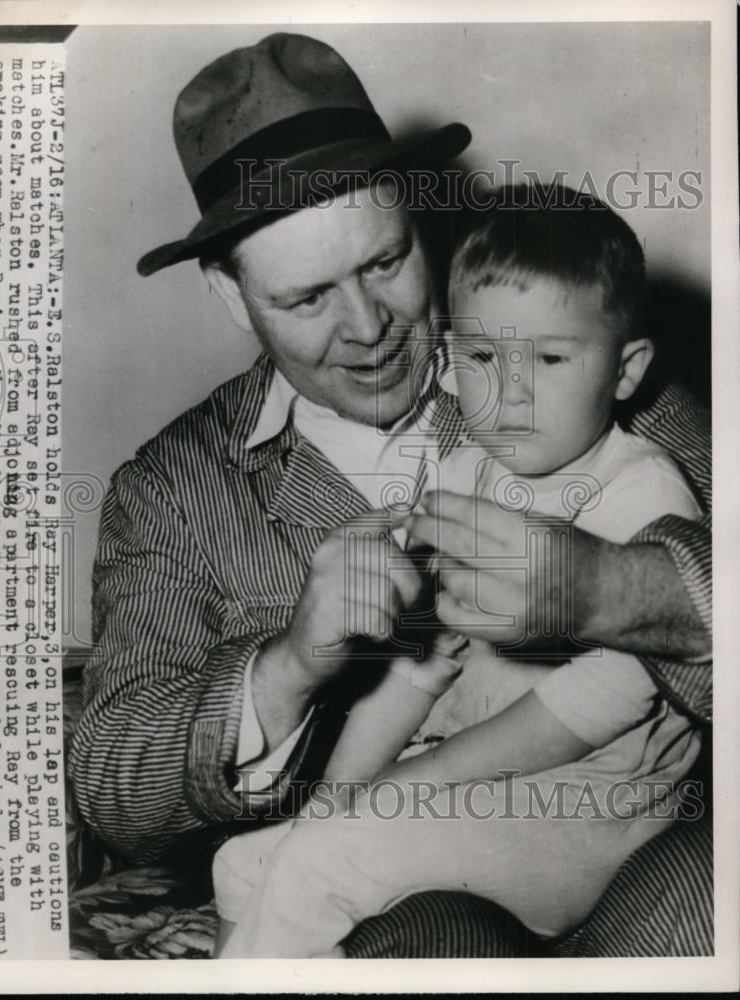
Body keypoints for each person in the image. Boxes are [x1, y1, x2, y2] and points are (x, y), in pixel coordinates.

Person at [68, 33, 712, 956]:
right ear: (230, 295)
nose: (367, 328)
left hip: (622, 834)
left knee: (699, 902)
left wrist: (615, 591)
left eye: (383, 262)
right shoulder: (170, 490)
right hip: (399, 881)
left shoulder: (558, 357)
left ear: (419, 221)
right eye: (308, 298)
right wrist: (288, 666)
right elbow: (109, 783)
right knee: (433, 937)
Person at [211, 186, 704, 958]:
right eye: (480, 356)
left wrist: (411, 787)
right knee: (243, 866)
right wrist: (338, 797)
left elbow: (604, 699)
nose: (508, 393)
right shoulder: (466, 472)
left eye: (546, 357)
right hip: (484, 797)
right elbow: (416, 665)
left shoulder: (639, 489)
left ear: (625, 368)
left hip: (595, 815)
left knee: (323, 860)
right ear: (448, 355)